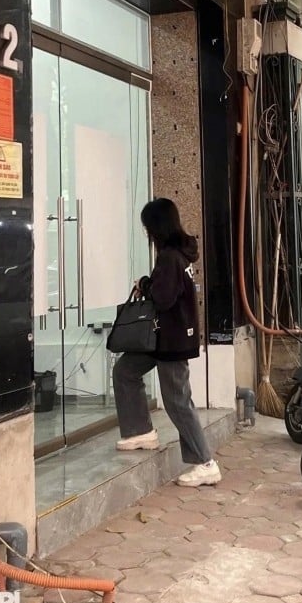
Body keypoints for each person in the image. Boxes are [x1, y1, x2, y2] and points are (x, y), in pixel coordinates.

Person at [112, 198, 221, 487]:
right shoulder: (179, 254)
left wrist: (145, 284)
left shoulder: (170, 257)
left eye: (147, 226)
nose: (146, 232)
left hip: (171, 341)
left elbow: (163, 298)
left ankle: (206, 463)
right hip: (162, 338)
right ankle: (140, 431)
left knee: (177, 402)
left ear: (156, 226)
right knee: (125, 371)